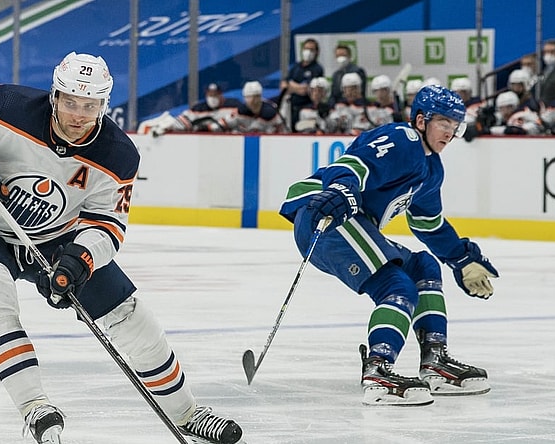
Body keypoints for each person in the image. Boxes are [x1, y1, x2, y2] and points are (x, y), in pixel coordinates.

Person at [0, 52, 243, 444]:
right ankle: (35, 406)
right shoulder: (7, 105)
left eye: (90, 105)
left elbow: (108, 223)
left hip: (57, 238)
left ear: (105, 104)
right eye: (70, 102)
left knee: (131, 317)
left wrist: (81, 258)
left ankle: (188, 412)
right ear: (54, 96)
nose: (78, 115)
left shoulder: (118, 155)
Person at [278, 85, 498, 406]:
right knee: (396, 286)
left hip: (355, 221)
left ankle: (434, 360)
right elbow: (353, 164)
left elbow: (429, 225)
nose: (450, 133)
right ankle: (379, 370)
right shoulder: (403, 139)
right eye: (444, 124)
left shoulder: (432, 169)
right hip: (327, 214)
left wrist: (462, 259)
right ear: (421, 121)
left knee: (423, 266)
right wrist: (344, 188)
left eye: (455, 126)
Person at [142, 82, 241, 136]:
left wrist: (210, 127)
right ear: (206, 95)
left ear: (221, 95)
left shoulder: (233, 105)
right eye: (210, 95)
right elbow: (184, 120)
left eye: (215, 95)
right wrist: (167, 126)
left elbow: (237, 120)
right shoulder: (198, 108)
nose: (212, 98)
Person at [281, 38, 325, 132]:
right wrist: (294, 87)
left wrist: (291, 86)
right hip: (292, 108)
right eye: (306, 48)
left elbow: (306, 90)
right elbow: (284, 85)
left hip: (307, 109)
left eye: (311, 49)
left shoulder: (317, 68)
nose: (308, 52)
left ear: (317, 52)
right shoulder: (296, 66)